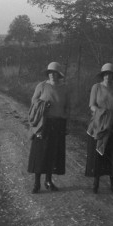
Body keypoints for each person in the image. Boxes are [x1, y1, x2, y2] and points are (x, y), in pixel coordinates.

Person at [27, 62, 70, 193]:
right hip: (43, 123)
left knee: (53, 153)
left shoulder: (64, 88)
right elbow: (34, 100)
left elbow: (68, 106)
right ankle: (36, 184)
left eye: (54, 73)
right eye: (50, 72)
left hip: (58, 124)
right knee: (40, 153)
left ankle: (48, 181)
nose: (52, 75)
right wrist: (43, 105)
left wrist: (64, 116)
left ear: (59, 74)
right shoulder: (42, 86)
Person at [85, 63, 113, 194]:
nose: (108, 76)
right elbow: (92, 105)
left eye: (110, 74)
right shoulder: (96, 87)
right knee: (98, 152)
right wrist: (101, 114)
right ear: (103, 75)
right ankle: (96, 183)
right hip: (99, 122)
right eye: (106, 74)